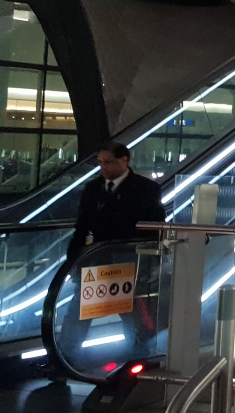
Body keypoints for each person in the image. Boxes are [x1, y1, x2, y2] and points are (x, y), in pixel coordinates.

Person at [62, 142, 165, 358]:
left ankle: (139, 354)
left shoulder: (146, 189)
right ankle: (66, 356)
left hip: (128, 260)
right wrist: (72, 259)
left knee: (129, 308)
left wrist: (154, 261)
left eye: (108, 162)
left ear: (124, 161)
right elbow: (81, 227)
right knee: (82, 307)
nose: (103, 168)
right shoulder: (93, 188)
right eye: (100, 163)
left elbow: (155, 228)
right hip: (95, 258)